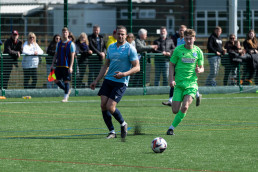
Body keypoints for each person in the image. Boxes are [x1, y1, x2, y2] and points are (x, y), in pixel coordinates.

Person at [90, 25, 140, 139]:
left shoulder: (130, 48)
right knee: (103, 104)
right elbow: (106, 65)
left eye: (123, 34)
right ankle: (112, 131)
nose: (121, 36)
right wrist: (96, 80)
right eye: (119, 33)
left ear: (126, 36)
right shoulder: (111, 47)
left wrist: (124, 74)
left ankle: (123, 124)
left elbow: (137, 67)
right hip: (108, 79)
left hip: (121, 81)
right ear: (115, 34)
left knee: (110, 107)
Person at [166, 29, 204, 135]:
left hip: (191, 84)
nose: (188, 41)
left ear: (194, 39)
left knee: (185, 106)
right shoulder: (178, 50)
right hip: (178, 85)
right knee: (175, 110)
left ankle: (171, 128)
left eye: (190, 39)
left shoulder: (198, 52)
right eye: (186, 39)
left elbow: (202, 68)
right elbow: (171, 64)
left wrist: (199, 70)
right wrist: (171, 80)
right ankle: (180, 105)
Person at [162, 25, 202, 107]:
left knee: (190, 81)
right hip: (178, 62)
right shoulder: (176, 39)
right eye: (180, 30)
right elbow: (173, 48)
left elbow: (192, 50)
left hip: (188, 65)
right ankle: (171, 99)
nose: (181, 32)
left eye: (183, 30)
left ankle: (196, 94)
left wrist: (198, 68)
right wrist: (172, 52)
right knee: (174, 79)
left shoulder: (193, 45)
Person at [50, 27, 75, 102]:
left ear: (68, 33)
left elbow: (73, 56)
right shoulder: (59, 44)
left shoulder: (71, 44)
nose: (64, 34)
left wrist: (71, 67)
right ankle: (67, 90)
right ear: (62, 33)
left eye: (66, 32)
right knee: (55, 80)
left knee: (66, 81)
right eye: (63, 32)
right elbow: (56, 54)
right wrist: (52, 64)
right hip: (59, 65)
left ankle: (65, 97)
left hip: (66, 66)